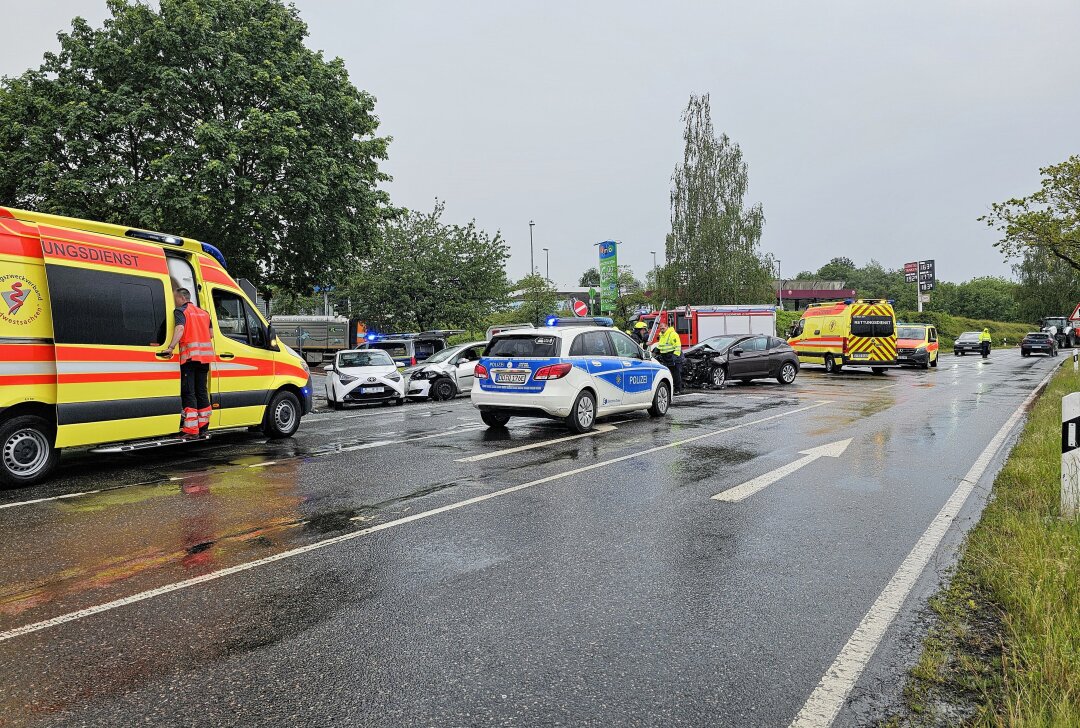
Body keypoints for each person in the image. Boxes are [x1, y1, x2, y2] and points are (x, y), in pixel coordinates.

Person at [161, 288, 215, 436]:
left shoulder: (181, 311)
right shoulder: (204, 313)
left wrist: (171, 347)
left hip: (190, 358)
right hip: (205, 359)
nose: (174, 301)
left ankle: (191, 429)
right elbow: (211, 334)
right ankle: (203, 427)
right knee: (202, 391)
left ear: (182, 298)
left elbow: (179, 328)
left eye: (175, 298)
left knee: (189, 392)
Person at [656, 317, 684, 394]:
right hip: (666, 357)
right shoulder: (662, 335)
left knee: (675, 374)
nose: (661, 329)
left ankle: (678, 389)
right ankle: (671, 388)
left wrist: (675, 356)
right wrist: (656, 350)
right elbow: (661, 345)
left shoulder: (673, 334)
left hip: (674, 356)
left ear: (667, 327)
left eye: (663, 328)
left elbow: (678, 346)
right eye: (660, 328)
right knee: (668, 373)